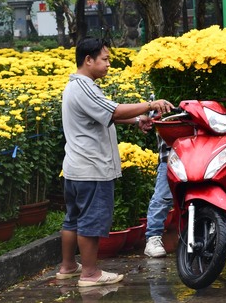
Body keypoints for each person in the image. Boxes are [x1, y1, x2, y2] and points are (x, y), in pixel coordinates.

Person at [56, 38, 174, 286]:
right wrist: (151, 104)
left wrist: (137, 120)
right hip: (92, 169)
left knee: (73, 219)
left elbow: (102, 116)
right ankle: (90, 274)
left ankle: (68, 267)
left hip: (76, 168)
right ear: (88, 60)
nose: (109, 64)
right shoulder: (84, 87)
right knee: (90, 221)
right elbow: (114, 111)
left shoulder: (75, 87)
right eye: (105, 59)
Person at [143, 137, 172, 258]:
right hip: (171, 155)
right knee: (163, 196)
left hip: (205, 152)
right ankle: (153, 238)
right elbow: (158, 118)